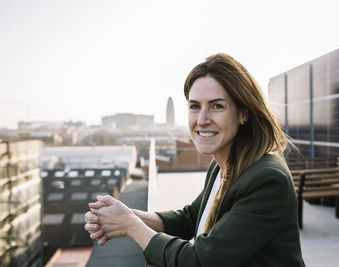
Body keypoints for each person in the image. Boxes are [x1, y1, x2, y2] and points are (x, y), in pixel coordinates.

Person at [85, 53, 305, 267]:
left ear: (243, 114)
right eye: (195, 106)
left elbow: (200, 260)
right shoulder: (223, 163)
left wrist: (132, 227)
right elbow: (191, 219)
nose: (202, 120)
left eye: (217, 106)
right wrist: (127, 215)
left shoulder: (267, 179)